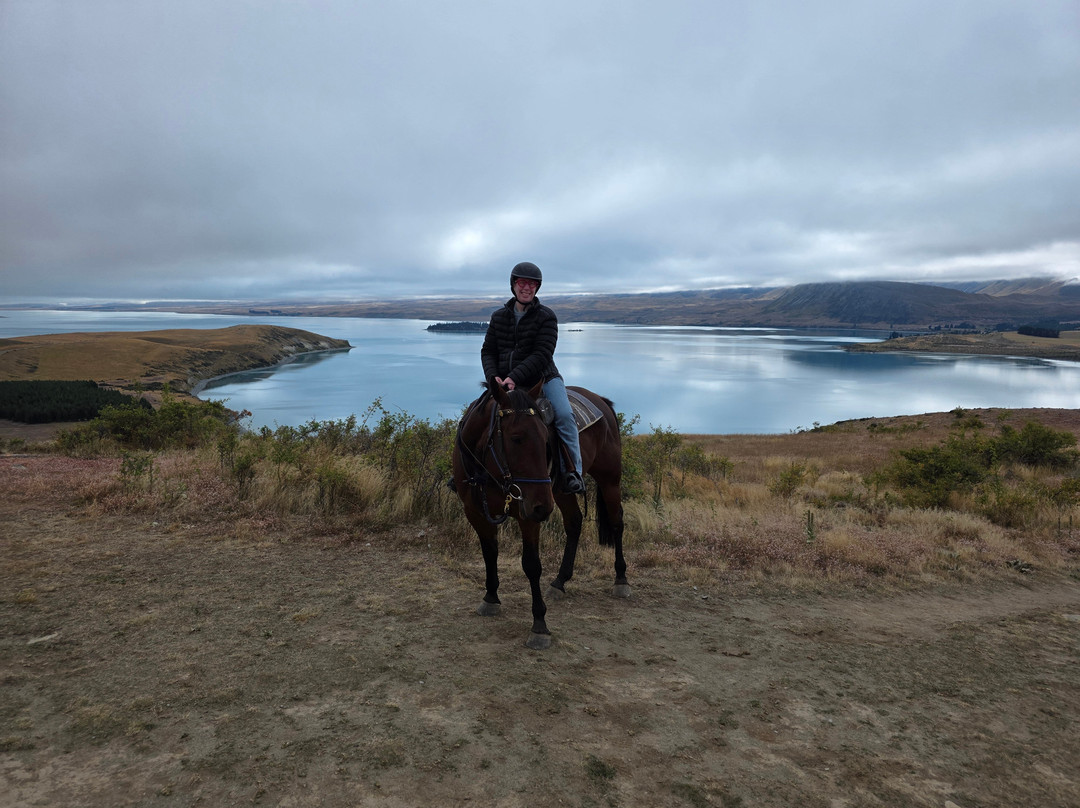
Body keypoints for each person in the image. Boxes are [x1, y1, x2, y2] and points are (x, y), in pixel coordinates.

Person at [481, 261, 585, 495]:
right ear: (513, 285)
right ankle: (469, 471)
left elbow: (542, 354)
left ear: (537, 288)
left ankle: (573, 472)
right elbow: (488, 351)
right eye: (522, 282)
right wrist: (493, 377)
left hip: (543, 378)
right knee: (475, 415)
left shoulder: (546, 317)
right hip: (505, 381)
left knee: (565, 415)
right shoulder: (498, 317)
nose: (526, 288)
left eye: (532, 284)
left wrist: (513, 377)